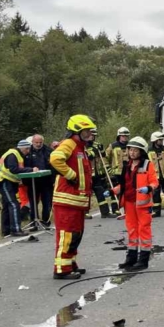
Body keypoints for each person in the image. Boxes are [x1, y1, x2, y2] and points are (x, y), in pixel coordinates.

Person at [50, 115, 95, 279]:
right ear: (77, 130)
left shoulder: (80, 146)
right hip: (67, 200)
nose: (89, 134)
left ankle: (70, 263)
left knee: (76, 234)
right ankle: (61, 269)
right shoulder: (69, 144)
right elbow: (55, 158)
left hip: (77, 201)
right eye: (86, 131)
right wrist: (70, 175)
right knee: (67, 235)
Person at [111, 136, 158, 271]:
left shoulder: (147, 165)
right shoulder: (127, 165)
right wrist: (112, 191)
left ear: (141, 152)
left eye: (135, 150)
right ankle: (130, 259)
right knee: (132, 230)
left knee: (144, 230)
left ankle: (143, 260)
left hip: (143, 204)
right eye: (130, 150)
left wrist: (148, 188)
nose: (132, 152)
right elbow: (124, 185)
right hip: (129, 203)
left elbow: (155, 182)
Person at [0, 140, 37, 237]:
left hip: (8, 182)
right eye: (26, 149)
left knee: (7, 206)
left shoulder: (17, 154)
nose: (28, 151)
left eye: (28, 148)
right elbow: (13, 169)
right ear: (21, 147)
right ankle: (16, 229)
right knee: (14, 204)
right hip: (3, 181)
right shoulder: (13, 154)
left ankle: (6, 231)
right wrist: (30, 169)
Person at [23, 134, 54, 226]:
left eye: (40, 142)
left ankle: (46, 221)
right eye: (36, 142)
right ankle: (33, 222)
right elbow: (23, 166)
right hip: (32, 181)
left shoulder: (48, 151)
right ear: (32, 142)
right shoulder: (27, 152)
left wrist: (53, 180)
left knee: (47, 202)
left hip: (46, 181)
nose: (38, 144)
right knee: (33, 203)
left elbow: (54, 166)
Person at [86, 129, 116, 219]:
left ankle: (105, 212)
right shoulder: (83, 145)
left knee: (100, 193)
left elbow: (103, 156)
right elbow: (89, 155)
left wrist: (101, 149)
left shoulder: (96, 145)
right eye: (90, 135)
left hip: (97, 173)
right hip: (87, 174)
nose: (92, 137)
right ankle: (84, 212)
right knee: (86, 194)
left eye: (93, 136)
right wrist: (94, 151)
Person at [105, 127, 129, 215]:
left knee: (126, 189)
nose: (125, 137)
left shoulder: (130, 146)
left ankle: (125, 207)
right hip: (117, 172)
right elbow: (105, 157)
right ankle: (115, 208)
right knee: (115, 190)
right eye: (123, 136)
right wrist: (108, 168)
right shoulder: (113, 146)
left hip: (128, 172)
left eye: (126, 136)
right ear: (119, 136)